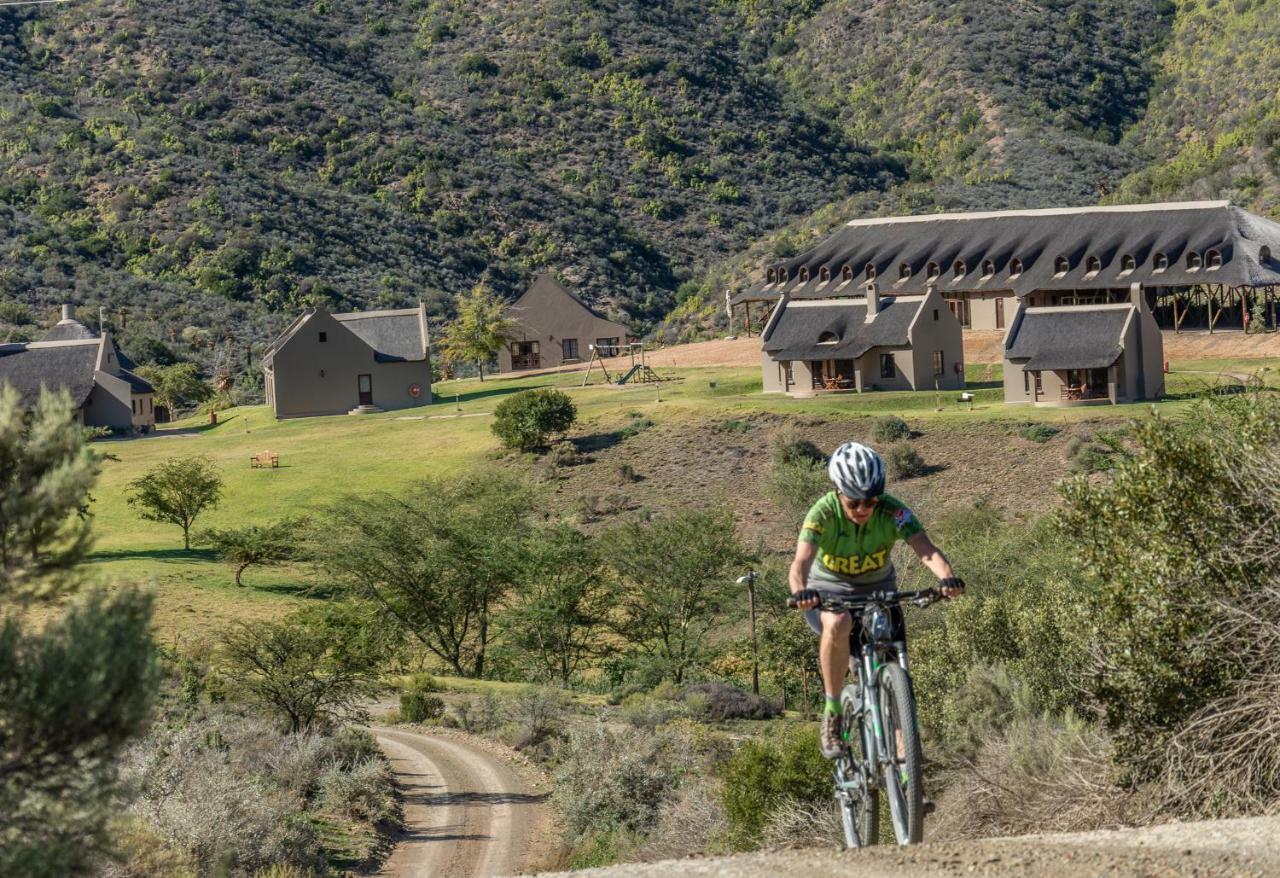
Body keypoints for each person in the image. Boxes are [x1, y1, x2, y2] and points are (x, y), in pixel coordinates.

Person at [790, 441, 964, 759]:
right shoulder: (824, 512)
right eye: (854, 502)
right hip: (830, 591)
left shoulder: (892, 511)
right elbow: (800, 562)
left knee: (895, 661)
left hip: (878, 591)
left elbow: (925, 549)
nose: (863, 510)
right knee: (839, 622)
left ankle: (906, 768)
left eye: (870, 501)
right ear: (838, 492)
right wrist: (801, 591)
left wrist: (946, 578)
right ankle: (832, 712)